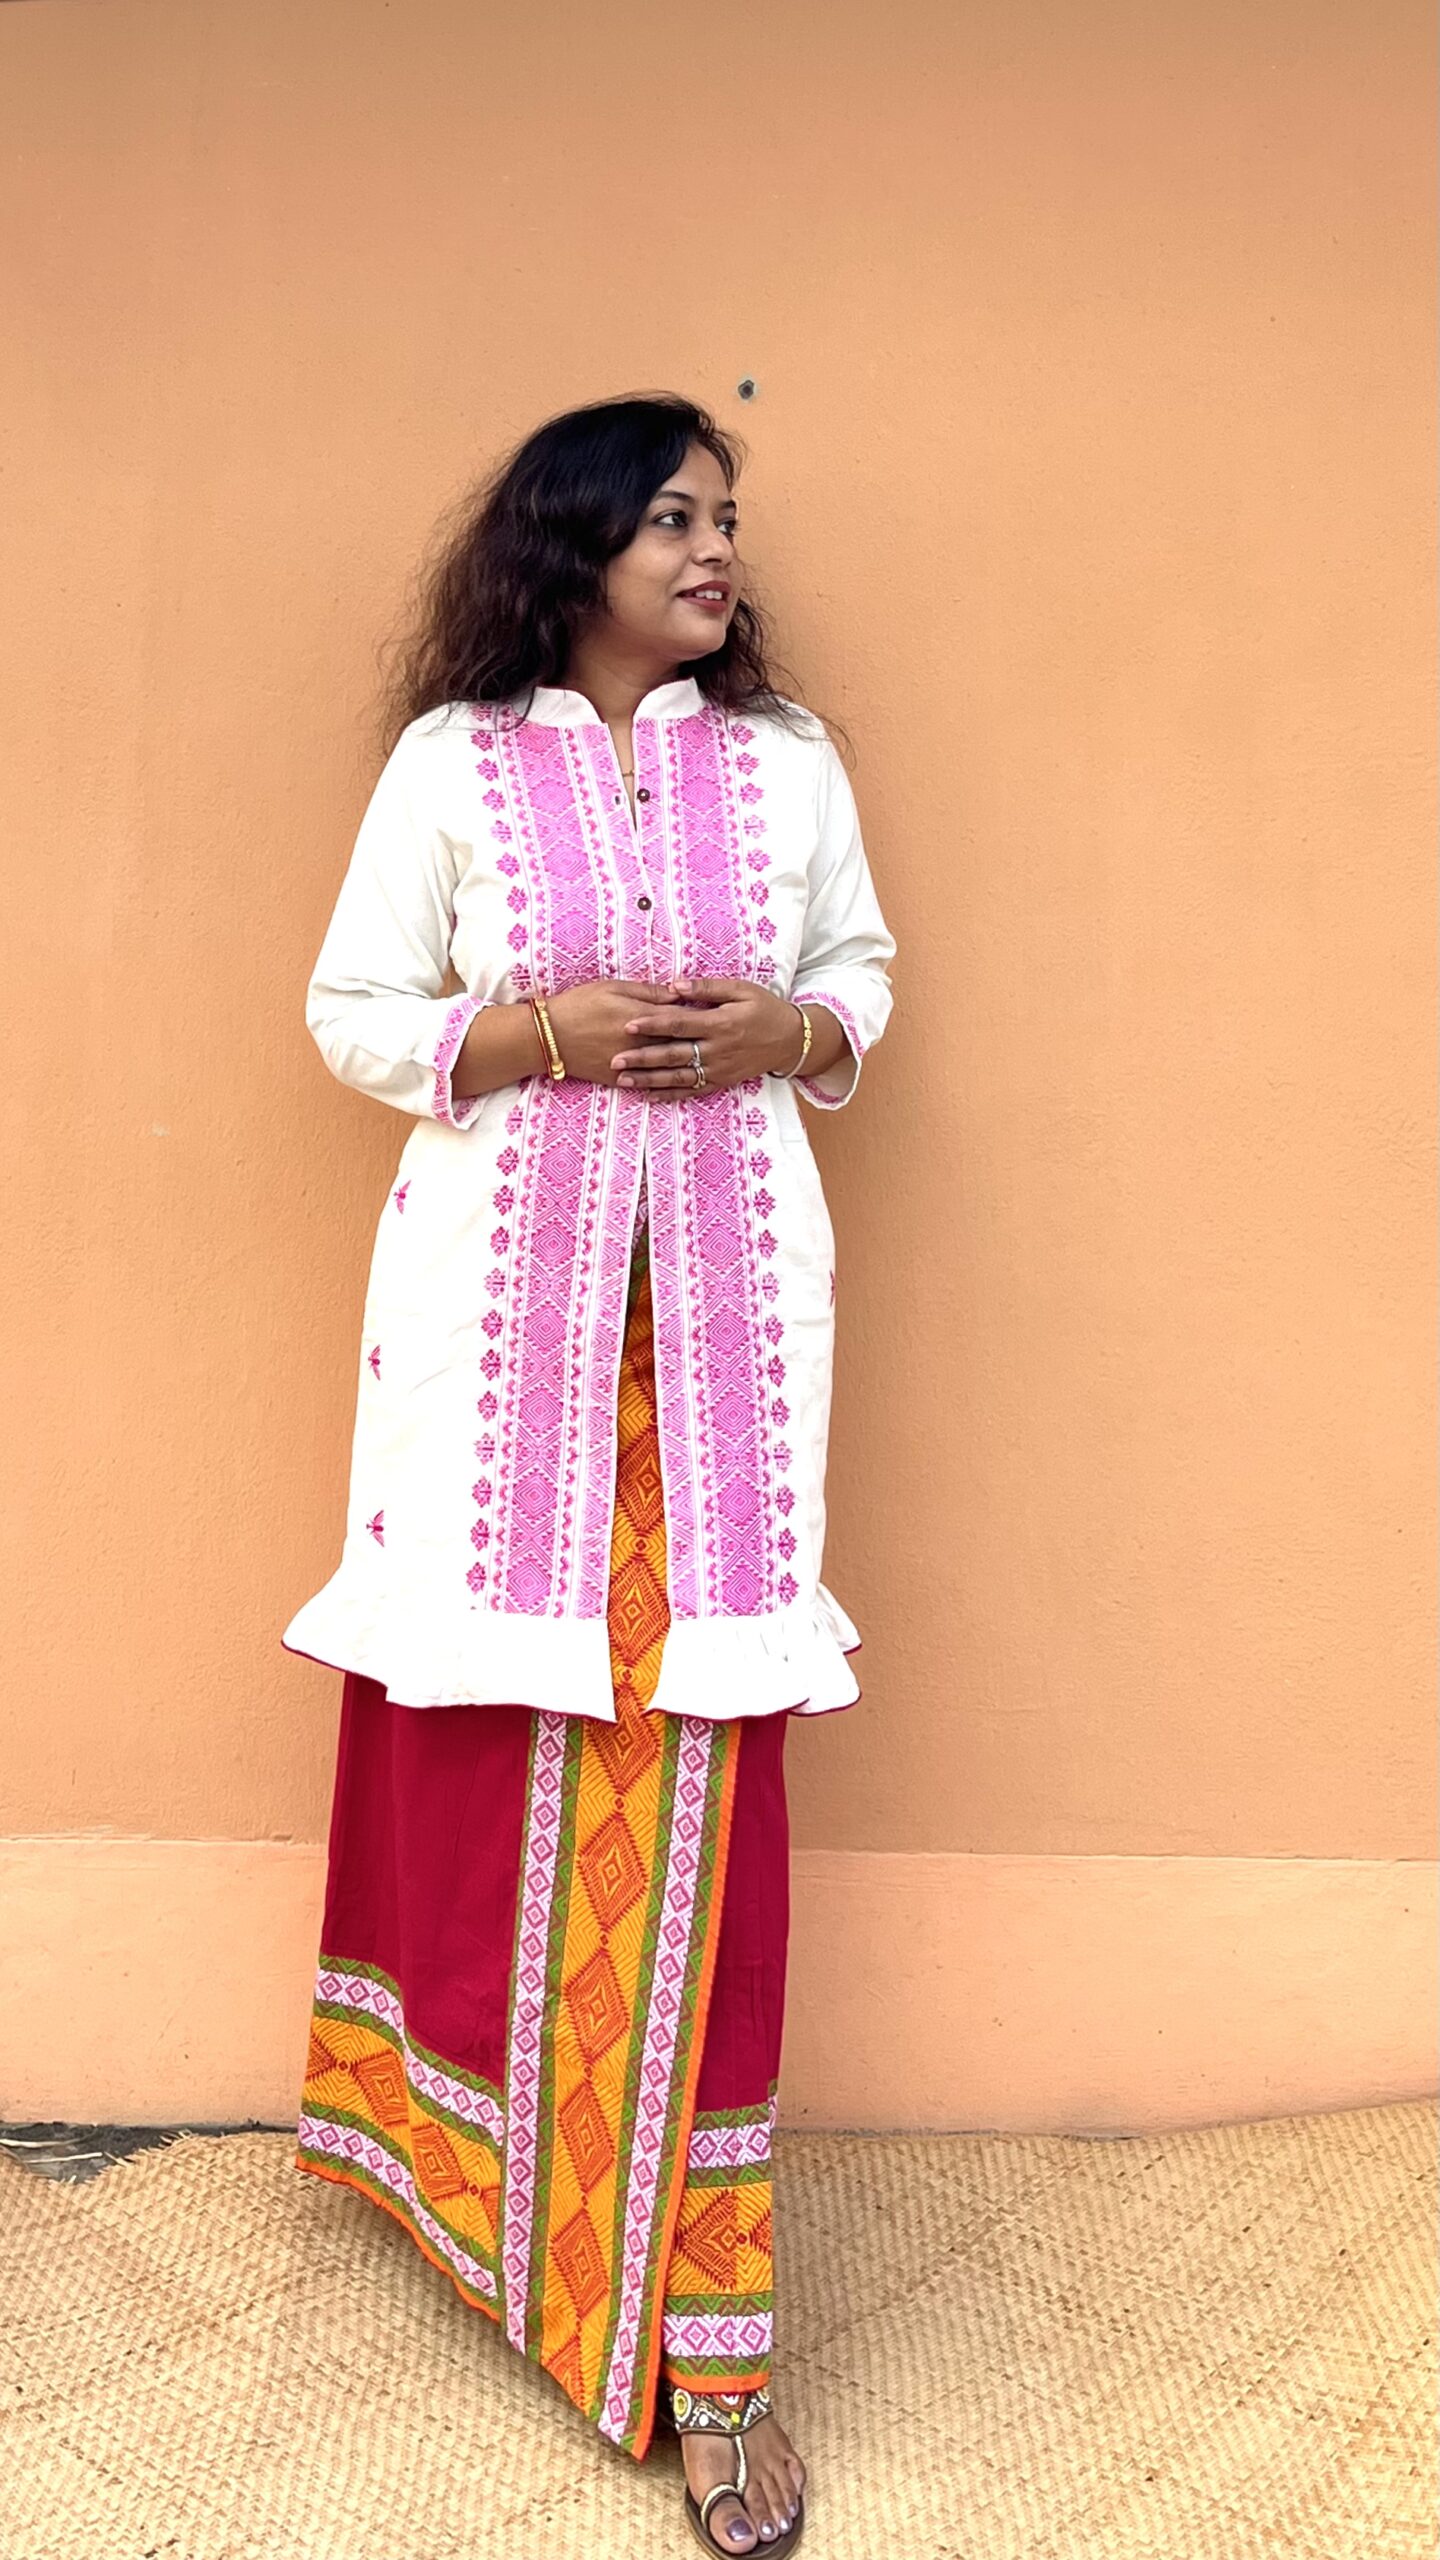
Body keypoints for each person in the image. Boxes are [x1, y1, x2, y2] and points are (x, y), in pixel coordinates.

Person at [283, 392, 896, 2555]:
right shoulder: (454, 766)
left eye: (727, 518)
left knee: (702, 1808)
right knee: (490, 1772)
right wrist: (535, 1034)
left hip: (717, 1382)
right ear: (574, 548)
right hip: (510, 1380)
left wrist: (788, 1033)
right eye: (671, 517)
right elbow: (354, 1008)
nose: (715, 549)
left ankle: (709, 2350)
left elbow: (861, 977)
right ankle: (483, 2207)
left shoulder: (786, 763)